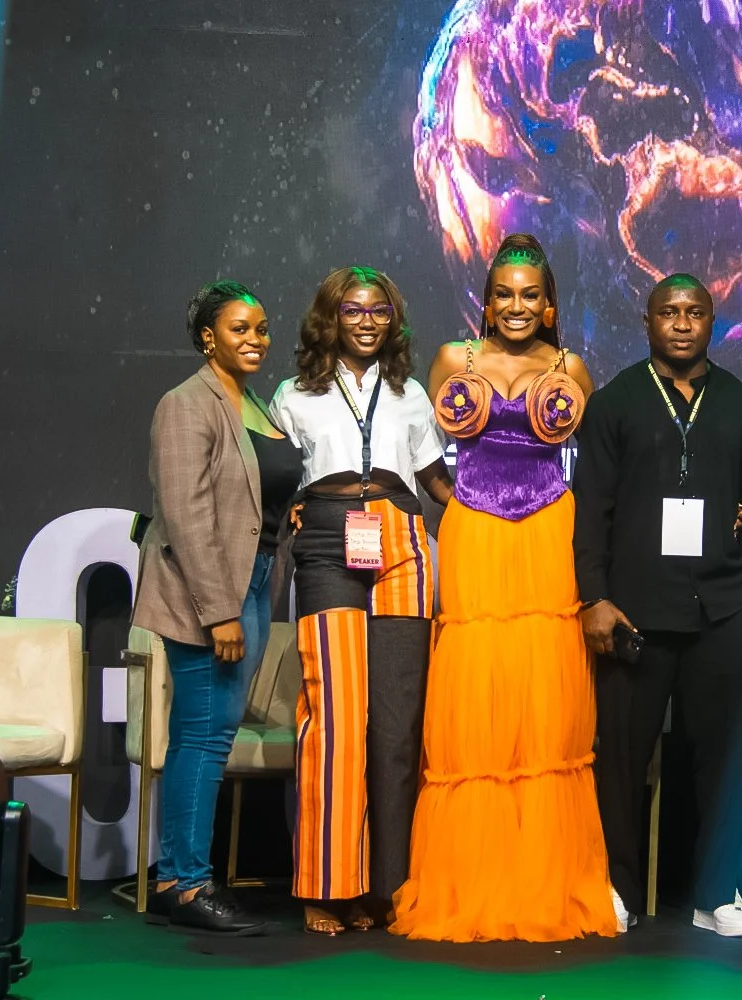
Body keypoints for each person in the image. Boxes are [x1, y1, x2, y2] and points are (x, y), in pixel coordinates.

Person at [389, 233, 616, 942]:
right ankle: (473, 880)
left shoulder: (572, 366)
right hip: (476, 535)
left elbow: (597, 460)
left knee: (543, 700)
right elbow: (427, 455)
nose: (516, 306)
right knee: (476, 698)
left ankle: (545, 878)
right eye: (504, 294)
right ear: (486, 302)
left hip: (548, 532)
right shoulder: (454, 360)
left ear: (549, 307)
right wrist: (455, 499)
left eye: (529, 295)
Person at [573, 274, 742, 936]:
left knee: (717, 759)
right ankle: (618, 888)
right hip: (634, 612)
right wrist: (595, 598)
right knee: (622, 760)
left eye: (695, 313)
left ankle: (716, 896)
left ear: (712, 321)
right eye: (669, 313)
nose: (682, 323)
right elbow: (591, 509)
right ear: (647, 319)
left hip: (721, 610)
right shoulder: (616, 402)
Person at [268, 266, 452, 936]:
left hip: (401, 540)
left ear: (392, 321)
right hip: (325, 541)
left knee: (398, 724)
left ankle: (386, 885)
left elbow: (435, 479)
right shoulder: (293, 395)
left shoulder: (409, 395)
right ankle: (327, 886)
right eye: (354, 309)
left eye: (379, 311)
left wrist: (497, 520)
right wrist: (283, 512)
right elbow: (278, 473)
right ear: (331, 318)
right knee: (336, 718)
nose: (367, 321)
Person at [132, 280, 302, 935]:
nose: (255, 339)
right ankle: (184, 883)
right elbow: (185, 514)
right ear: (208, 337)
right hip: (207, 591)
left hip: (254, 580)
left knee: (214, 733)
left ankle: (184, 869)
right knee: (202, 735)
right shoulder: (186, 404)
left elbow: (260, 493)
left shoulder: (253, 402)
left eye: (261, 328)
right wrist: (218, 611)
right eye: (239, 329)